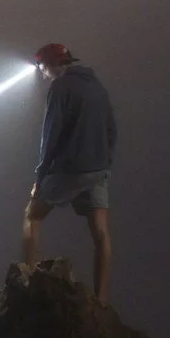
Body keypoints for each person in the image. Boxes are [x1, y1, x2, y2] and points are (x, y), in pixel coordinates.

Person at [20, 41, 115, 300]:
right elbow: (111, 129)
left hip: (70, 169)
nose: (41, 73)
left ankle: (27, 281)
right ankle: (102, 300)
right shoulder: (97, 86)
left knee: (32, 215)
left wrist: (40, 178)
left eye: (41, 67)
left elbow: (50, 137)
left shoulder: (60, 88)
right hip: (98, 168)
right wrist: (104, 162)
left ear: (52, 64)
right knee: (100, 232)